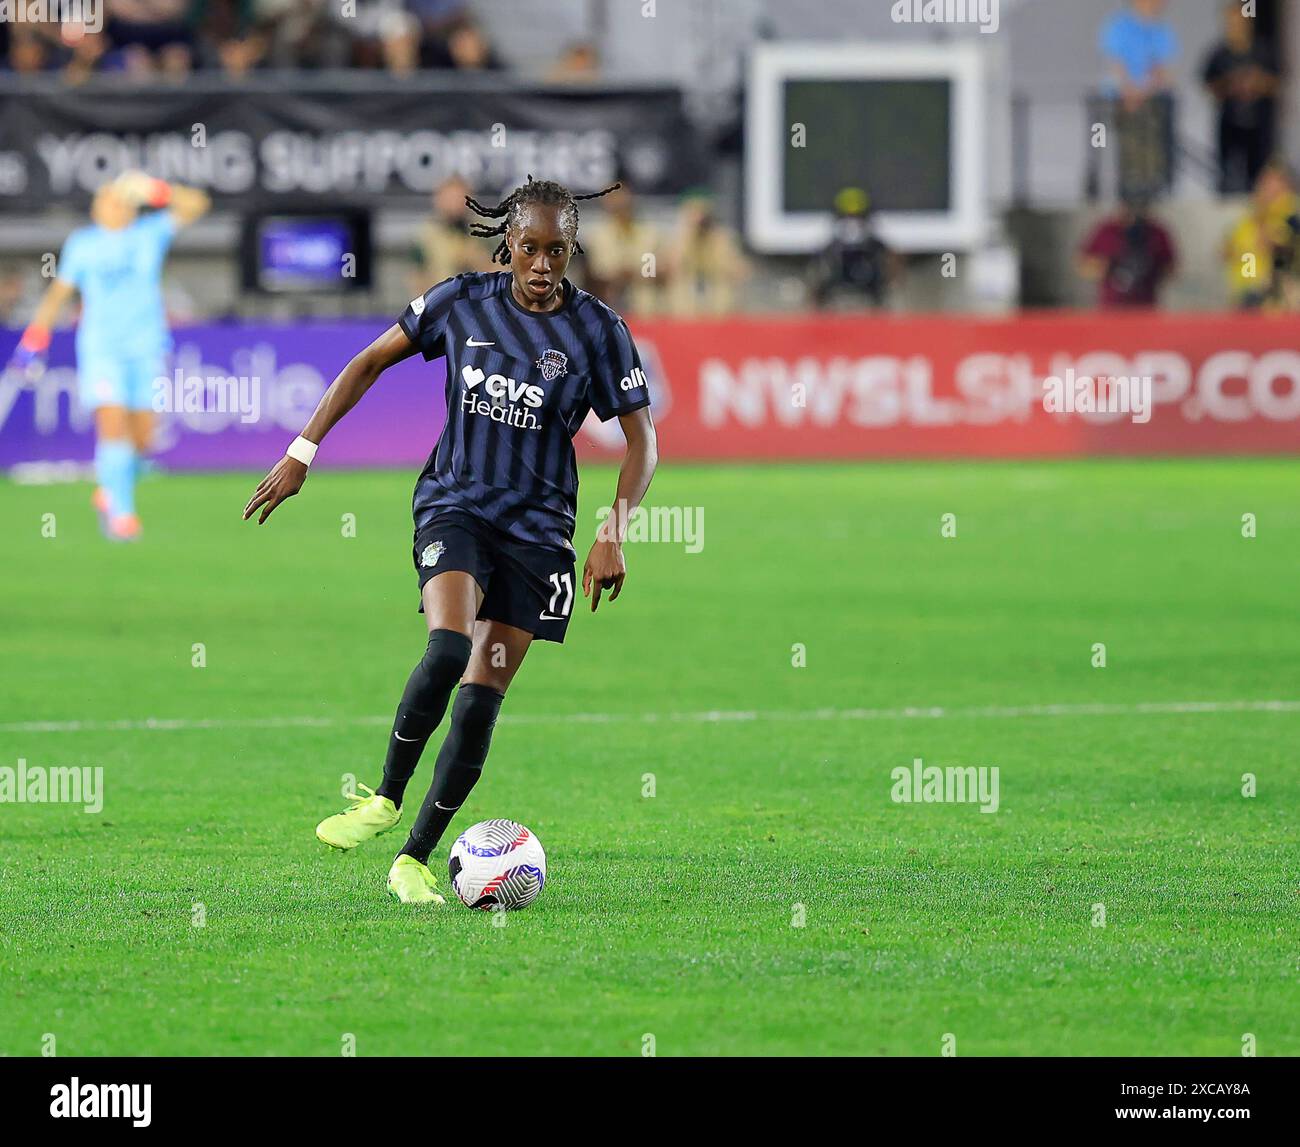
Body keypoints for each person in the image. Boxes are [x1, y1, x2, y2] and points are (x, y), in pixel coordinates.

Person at [242, 176, 659, 905]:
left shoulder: (597, 330)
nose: (541, 264)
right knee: (447, 645)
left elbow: (642, 441)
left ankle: (414, 857)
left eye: (556, 250)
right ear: (508, 242)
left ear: (571, 249)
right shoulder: (461, 301)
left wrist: (613, 532)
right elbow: (367, 362)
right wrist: (301, 452)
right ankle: (384, 797)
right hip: (456, 506)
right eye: (528, 247)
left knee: (481, 697)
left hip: (540, 534)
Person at [9, 172, 211, 541]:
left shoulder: (150, 233)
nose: (110, 207)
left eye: (118, 200)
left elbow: (198, 204)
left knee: (144, 442)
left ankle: (109, 488)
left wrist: (157, 190)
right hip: (102, 349)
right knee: (112, 423)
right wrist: (35, 338)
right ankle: (122, 514)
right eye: (104, 201)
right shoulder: (84, 244)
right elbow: (59, 294)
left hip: (146, 346)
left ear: (131, 206)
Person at [1099, 0, 1178, 199]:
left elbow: (1162, 71)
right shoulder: (1118, 26)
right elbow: (1116, 66)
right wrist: (1129, 91)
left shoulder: (1162, 30)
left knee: (1153, 155)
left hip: (1150, 102)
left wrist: (1144, 91)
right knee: (1131, 153)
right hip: (1123, 101)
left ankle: (1153, 190)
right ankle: (1129, 193)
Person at [1202, 1, 1280, 196]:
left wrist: (1257, 82)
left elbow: (1277, 83)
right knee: (1225, 172)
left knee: (1259, 171)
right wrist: (1230, 83)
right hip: (1229, 121)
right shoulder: (1219, 53)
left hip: (1259, 123)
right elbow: (1208, 85)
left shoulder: (1262, 50)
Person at [1223, 160, 1300, 310]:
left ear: (1285, 185)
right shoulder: (1250, 218)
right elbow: (1229, 249)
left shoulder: (1291, 216)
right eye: (1265, 182)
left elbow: (1282, 251)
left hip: (1278, 292)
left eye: (1273, 182)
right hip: (1247, 287)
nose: (1267, 187)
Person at [1077, 195, 1177, 309]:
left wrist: (1151, 268)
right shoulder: (1105, 230)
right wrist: (1110, 267)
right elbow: (1084, 265)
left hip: (1145, 306)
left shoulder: (1157, 232)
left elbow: (1171, 268)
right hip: (1111, 308)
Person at [808, 187, 897, 311]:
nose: (852, 223)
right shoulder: (835, 242)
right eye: (848, 217)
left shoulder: (872, 241)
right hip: (840, 274)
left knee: (879, 291)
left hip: (867, 276)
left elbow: (889, 256)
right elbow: (821, 258)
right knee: (821, 290)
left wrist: (891, 277)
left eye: (857, 217)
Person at [580, 183, 661, 316]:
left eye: (624, 203)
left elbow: (653, 271)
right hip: (609, 309)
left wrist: (633, 272)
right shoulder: (598, 237)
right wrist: (617, 275)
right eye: (615, 204)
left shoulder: (649, 235)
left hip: (645, 310)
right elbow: (595, 274)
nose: (621, 208)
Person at [666, 189, 747, 316]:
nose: (699, 219)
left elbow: (738, 270)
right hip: (688, 298)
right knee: (680, 287)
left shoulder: (722, 238)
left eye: (702, 213)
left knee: (722, 289)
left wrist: (716, 246)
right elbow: (672, 268)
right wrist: (687, 235)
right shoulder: (680, 239)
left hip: (715, 296)